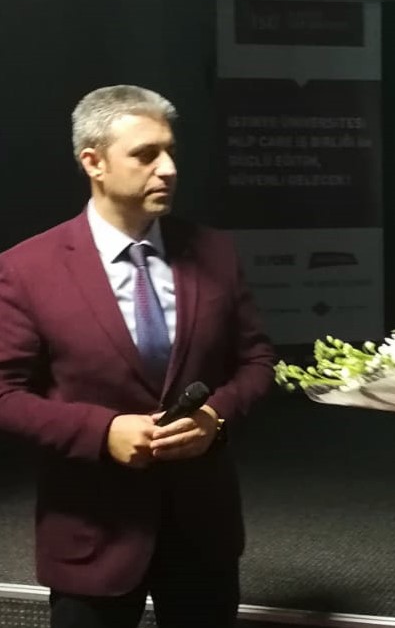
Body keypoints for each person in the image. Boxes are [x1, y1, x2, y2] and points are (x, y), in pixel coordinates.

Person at [0, 84, 276, 628]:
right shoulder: (26, 269)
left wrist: (215, 416)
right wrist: (102, 431)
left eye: (170, 151)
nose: (168, 168)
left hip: (202, 524)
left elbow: (257, 361)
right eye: (146, 154)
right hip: (92, 529)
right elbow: (4, 394)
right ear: (93, 163)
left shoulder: (215, 251)